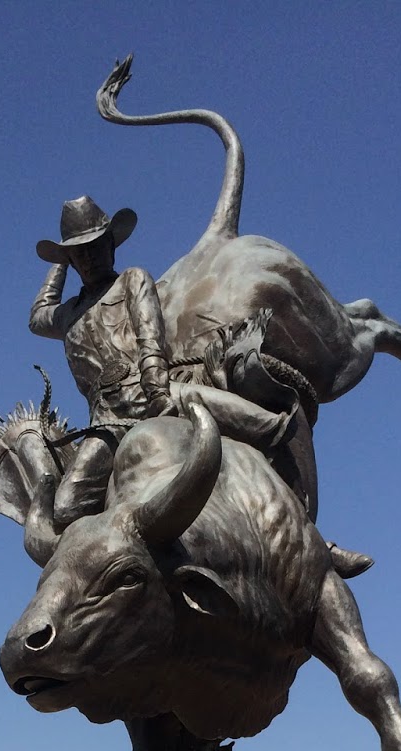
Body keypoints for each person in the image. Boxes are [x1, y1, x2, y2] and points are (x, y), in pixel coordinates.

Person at [29, 196, 295, 528]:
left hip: (150, 391)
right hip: (107, 421)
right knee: (66, 508)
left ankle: (304, 529)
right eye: (79, 252)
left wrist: (159, 394)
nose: (88, 256)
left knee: (261, 421)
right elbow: (37, 315)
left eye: (95, 246)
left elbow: (149, 335)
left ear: (111, 245)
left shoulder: (131, 279)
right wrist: (62, 259)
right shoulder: (68, 314)